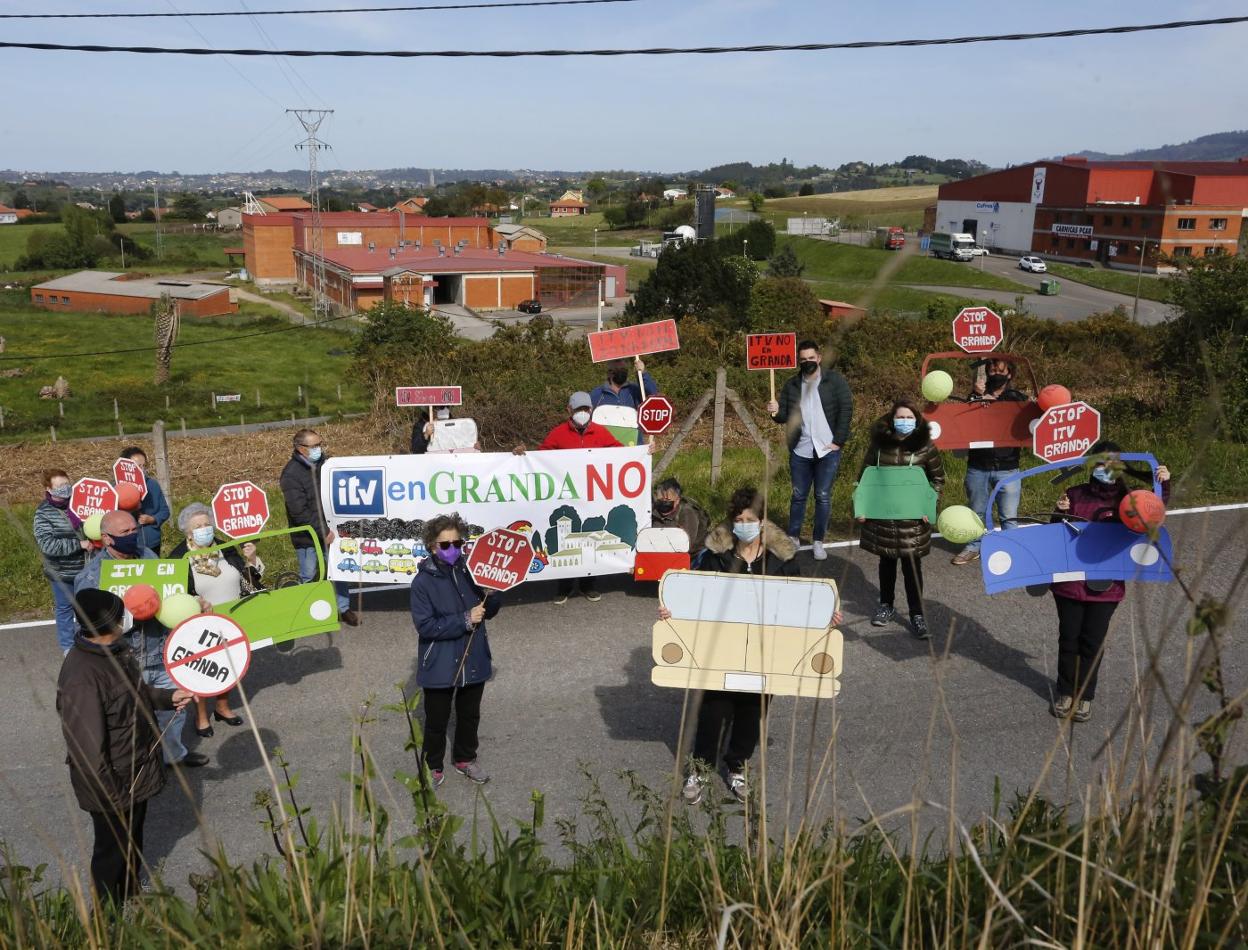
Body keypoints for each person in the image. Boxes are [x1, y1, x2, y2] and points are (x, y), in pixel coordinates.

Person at [661, 487, 810, 804]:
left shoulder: (783, 562)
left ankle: (736, 766)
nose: (745, 524)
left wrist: (826, 616)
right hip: (721, 651)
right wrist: (672, 611)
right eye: (738, 519)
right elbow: (694, 597)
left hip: (766, 652)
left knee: (752, 713)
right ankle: (700, 768)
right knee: (713, 713)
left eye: (750, 519)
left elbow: (801, 606)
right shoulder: (715, 558)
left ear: (762, 522)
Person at [57, 589, 193, 908]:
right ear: (111, 622)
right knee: (111, 850)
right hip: (111, 783)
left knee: (133, 838)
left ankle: (130, 891)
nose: (126, 618)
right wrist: (116, 797)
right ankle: (106, 917)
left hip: (136, 766)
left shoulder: (115, 651)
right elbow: (88, 751)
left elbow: (134, 693)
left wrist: (167, 698)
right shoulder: (82, 677)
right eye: (121, 614)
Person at [75, 510, 208, 769]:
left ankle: (173, 755)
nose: (132, 535)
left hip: (162, 652)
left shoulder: (149, 557)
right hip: (126, 660)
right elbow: (88, 625)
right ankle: (138, 764)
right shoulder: (93, 576)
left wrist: (194, 603)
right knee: (130, 718)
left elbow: (171, 596)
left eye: (134, 530)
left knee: (173, 712)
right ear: (107, 538)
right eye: (125, 533)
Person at [1049, 442, 1170, 722]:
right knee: (1069, 639)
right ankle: (1066, 692)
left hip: (1106, 588)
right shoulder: (1074, 494)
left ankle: (1085, 696)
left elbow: (1152, 515)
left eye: (1112, 464)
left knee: (1092, 642)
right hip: (1069, 584)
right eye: (1101, 464)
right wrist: (1060, 511)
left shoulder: (1131, 498)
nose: (1106, 470)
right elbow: (1056, 535)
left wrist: (1163, 484)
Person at [409, 513, 502, 787]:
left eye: (457, 543)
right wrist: (464, 619)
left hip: (473, 656)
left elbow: (489, 612)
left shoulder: (472, 571)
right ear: (432, 547)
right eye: (445, 545)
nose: (452, 550)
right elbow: (425, 626)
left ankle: (465, 759)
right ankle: (433, 766)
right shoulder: (422, 583)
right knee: (436, 721)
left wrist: (493, 594)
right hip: (439, 663)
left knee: (469, 714)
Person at [515, 392, 623, 604]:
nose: (582, 413)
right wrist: (522, 455)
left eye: (585, 409)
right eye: (577, 410)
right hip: (565, 498)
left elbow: (622, 454)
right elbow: (539, 459)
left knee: (589, 538)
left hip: (593, 497)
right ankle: (563, 586)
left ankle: (588, 585)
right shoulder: (557, 434)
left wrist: (645, 451)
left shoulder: (601, 433)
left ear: (591, 410)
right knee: (566, 542)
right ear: (569, 411)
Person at [169, 502, 264, 738]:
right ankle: (201, 716)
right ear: (188, 533)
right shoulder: (179, 556)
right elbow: (176, 592)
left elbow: (249, 581)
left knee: (229, 664)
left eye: (207, 524)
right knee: (201, 670)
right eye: (198, 526)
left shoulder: (227, 548)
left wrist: (252, 560)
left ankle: (222, 707)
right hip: (199, 622)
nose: (204, 529)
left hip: (232, 618)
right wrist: (194, 602)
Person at [856, 399, 945, 640]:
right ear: (891, 419)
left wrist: (930, 506)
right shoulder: (877, 447)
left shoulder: (926, 447)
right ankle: (886, 605)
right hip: (883, 518)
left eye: (909, 418)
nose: (904, 422)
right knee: (886, 565)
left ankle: (917, 615)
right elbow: (863, 479)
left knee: (912, 568)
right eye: (900, 417)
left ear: (917, 421)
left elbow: (937, 480)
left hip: (914, 521)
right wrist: (861, 507)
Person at [766, 340, 853, 562]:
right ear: (799, 361)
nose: (807, 363)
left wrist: (839, 441)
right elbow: (784, 416)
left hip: (828, 450)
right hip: (801, 449)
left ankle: (818, 541)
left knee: (822, 496)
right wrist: (774, 412)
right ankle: (793, 538)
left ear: (819, 358)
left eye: (811, 358)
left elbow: (846, 409)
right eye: (803, 360)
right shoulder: (791, 385)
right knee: (798, 496)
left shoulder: (835, 381)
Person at [951, 359, 1028, 565]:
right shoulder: (975, 396)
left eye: (1000, 370)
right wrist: (976, 398)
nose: (996, 373)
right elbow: (964, 421)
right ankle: (974, 546)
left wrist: (993, 401)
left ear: (1009, 374)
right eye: (992, 370)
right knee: (976, 511)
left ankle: (1013, 549)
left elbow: (1024, 414)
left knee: (1009, 515)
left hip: (1009, 467)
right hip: (978, 465)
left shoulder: (1016, 398)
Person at [280, 428, 359, 626]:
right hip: (307, 536)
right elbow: (299, 512)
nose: (319, 449)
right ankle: (303, 609)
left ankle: (343, 608)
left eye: (320, 445)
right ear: (300, 448)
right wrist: (322, 531)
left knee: (337, 569)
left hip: (331, 531)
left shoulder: (327, 465)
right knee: (308, 573)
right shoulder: (291, 474)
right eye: (314, 446)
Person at [33, 468, 91, 654]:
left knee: (88, 607)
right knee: (65, 608)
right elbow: (48, 546)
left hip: (87, 568)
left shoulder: (80, 505)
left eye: (67, 484)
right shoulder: (43, 514)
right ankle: (68, 647)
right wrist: (79, 544)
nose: (65, 489)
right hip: (62, 572)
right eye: (59, 486)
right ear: (49, 489)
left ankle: (90, 640)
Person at [119, 447, 171, 556]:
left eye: (144, 466)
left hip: (151, 543)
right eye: (137, 466)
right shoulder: (116, 488)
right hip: (126, 545)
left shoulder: (152, 485)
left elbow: (165, 511)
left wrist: (153, 519)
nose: (142, 469)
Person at [652, 477, 710, 560]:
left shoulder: (687, 513)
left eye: (667, 500)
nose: (663, 502)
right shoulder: (653, 512)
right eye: (660, 499)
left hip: (693, 556)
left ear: (677, 500)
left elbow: (686, 545)